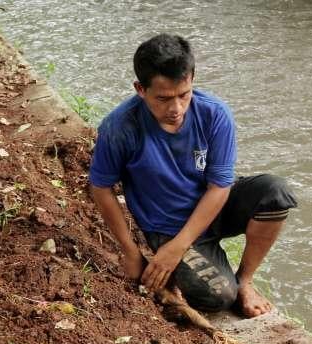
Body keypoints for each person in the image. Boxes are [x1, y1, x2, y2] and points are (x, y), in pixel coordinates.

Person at [89, 33, 297, 318]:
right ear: (140, 89)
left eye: (183, 95)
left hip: (213, 207)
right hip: (169, 224)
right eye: (162, 98)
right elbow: (100, 188)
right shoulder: (120, 128)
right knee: (219, 297)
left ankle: (245, 280)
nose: (175, 109)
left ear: (192, 79)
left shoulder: (215, 114)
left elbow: (220, 186)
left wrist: (179, 247)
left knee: (275, 192)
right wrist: (131, 252)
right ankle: (203, 276)